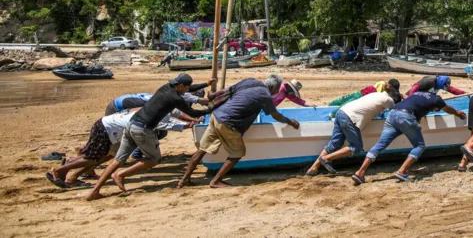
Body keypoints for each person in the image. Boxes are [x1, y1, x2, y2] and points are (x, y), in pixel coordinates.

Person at [86, 74, 215, 201]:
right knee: (154, 159)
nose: (187, 90)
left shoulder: (166, 87)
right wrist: (211, 108)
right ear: (181, 85)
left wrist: (205, 84)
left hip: (131, 124)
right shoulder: (174, 98)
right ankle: (120, 174)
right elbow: (192, 112)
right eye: (186, 88)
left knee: (118, 159)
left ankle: (94, 191)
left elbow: (190, 89)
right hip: (143, 129)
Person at [178, 75, 300, 188]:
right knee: (237, 153)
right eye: (277, 89)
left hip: (216, 116)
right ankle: (216, 181)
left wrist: (213, 95)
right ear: (273, 87)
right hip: (229, 123)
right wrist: (290, 122)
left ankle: (184, 179)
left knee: (202, 149)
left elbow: (227, 90)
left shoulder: (250, 81)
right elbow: (276, 116)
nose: (277, 92)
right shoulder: (265, 96)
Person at [46, 108, 200, 189]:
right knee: (94, 157)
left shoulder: (158, 104)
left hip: (112, 127)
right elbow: (166, 124)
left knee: (105, 156)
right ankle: (60, 171)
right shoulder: (157, 113)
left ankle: (72, 177)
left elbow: (175, 113)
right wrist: (188, 125)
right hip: (108, 128)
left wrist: (192, 119)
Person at [351, 86, 466, 184]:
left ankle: (360, 172)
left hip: (393, 114)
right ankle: (402, 171)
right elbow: (447, 109)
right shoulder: (437, 99)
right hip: (406, 117)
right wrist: (457, 113)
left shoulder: (416, 94)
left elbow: (415, 106)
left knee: (380, 144)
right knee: (419, 146)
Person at [307, 80, 403, 176]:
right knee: (356, 147)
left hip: (341, 112)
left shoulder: (376, 94)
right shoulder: (389, 101)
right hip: (350, 118)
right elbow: (394, 113)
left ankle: (313, 167)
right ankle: (326, 159)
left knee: (334, 144)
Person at [328, 80, 403, 107]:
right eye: (393, 89)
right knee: (345, 102)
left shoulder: (388, 90)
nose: (392, 91)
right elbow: (378, 97)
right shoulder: (382, 84)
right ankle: (331, 106)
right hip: (361, 95)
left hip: (364, 96)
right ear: (389, 85)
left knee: (346, 100)